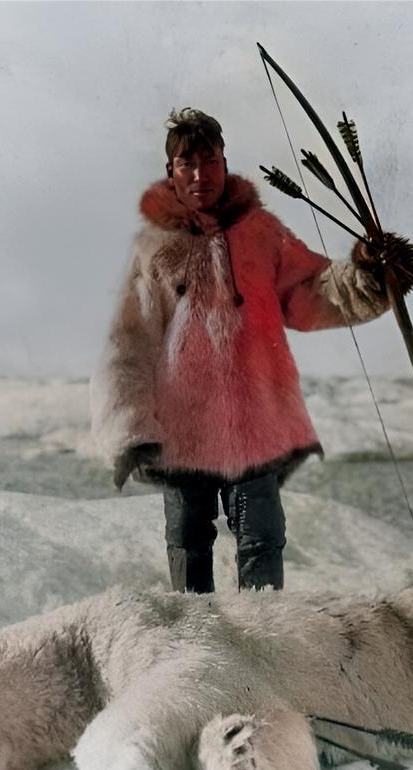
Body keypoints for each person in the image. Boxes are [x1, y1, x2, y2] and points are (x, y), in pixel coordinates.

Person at [90, 107, 395, 593]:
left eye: (209, 161)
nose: (199, 174)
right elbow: (130, 343)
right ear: (171, 171)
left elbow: (312, 291)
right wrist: (130, 428)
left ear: (224, 163)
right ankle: (198, 652)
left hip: (254, 421)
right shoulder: (152, 246)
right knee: (188, 541)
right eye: (186, 164)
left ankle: (263, 647)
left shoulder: (261, 231)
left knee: (262, 538)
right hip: (181, 425)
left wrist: (370, 273)